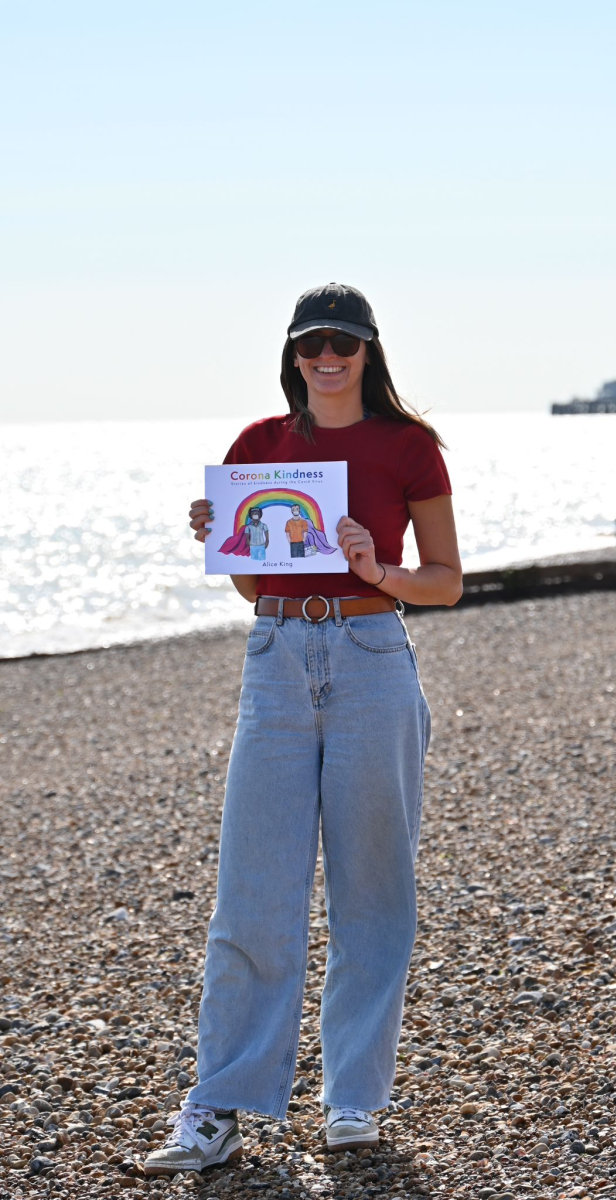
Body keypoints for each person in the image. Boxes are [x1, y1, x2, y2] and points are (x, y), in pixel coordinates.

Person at [143, 282, 462, 1177]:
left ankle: (352, 1098)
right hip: (277, 660)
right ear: (292, 353)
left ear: (369, 351)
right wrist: (223, 543)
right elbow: (256, 585)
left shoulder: (409, 445)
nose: (327, 356)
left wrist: (377, 567)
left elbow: (446, 580)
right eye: (311, 343)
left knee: (374, 894)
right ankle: (218, 1109)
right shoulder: (259, 446)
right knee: (252, 893)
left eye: (344, 343)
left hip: (372, 658)